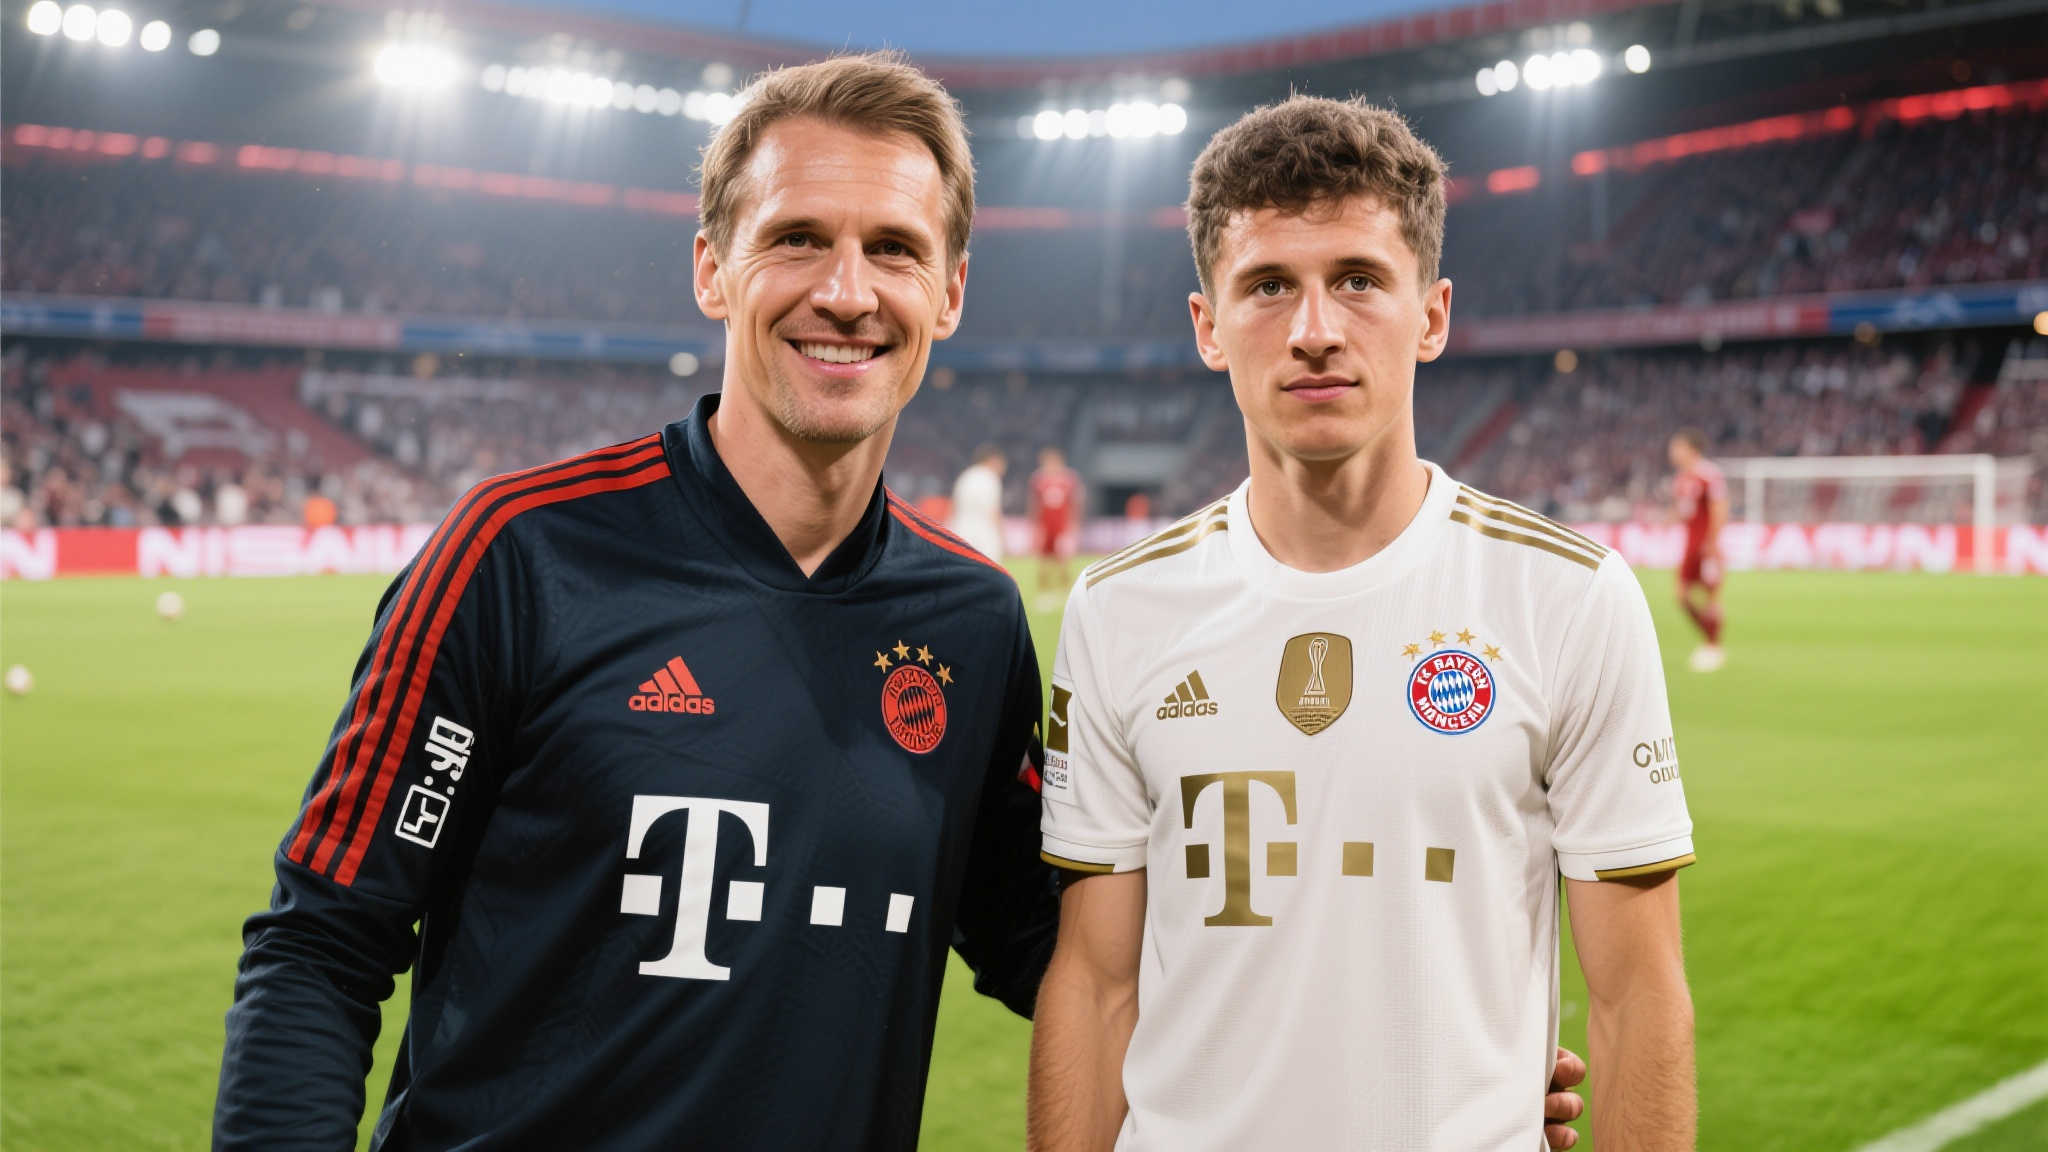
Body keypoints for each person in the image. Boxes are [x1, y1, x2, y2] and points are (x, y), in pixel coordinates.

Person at [214, 54, 1057, 1150]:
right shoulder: (521, 554)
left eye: (893, 248)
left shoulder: (972, 625)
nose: (847, 293)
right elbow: (324, 943)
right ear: (712, 270)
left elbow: (1052, 948)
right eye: (797, 238)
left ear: (948, 293)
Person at [1028, 96, 1694, 1151]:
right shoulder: (1118, 613)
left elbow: (1637, 998)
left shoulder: (1568, 598)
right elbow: (1095, 983)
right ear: (1206, 326)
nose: (1314, 332)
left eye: (1356, 279)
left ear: (1431, 315)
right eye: (1266, 286)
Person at [1669, 429, 1727, 671]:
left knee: (1711, 597)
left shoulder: (1709, 475)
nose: (1672, 452)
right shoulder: (1681, 478)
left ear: (1691, 449)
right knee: (1681, 596)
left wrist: (1713, 543)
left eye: (1677, 447)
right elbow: (1684, 512)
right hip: (1689, 546)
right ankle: (1709, 640)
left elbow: (1719, 508)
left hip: (1706, 546)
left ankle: (1713, 647)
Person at [1029, 445, 1082, 601]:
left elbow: (1075, 503)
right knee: (1043, 561)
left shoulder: (1069, 479)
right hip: (1045, 525)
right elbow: (1034, 504)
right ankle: (1044, 592)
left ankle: (1067, 591)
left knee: (1064, 560)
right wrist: (1035, 525)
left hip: (1062, 526)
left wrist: (1074, 524)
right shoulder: (1038, 479)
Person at [951, 442, 1008, 561]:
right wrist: (1002, 537)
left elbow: (953, 506)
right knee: (989, 569)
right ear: (994, 460)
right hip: (984, 533)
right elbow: (993, 511)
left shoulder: (966, 476)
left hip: (961, 529)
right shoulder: (990, 478)